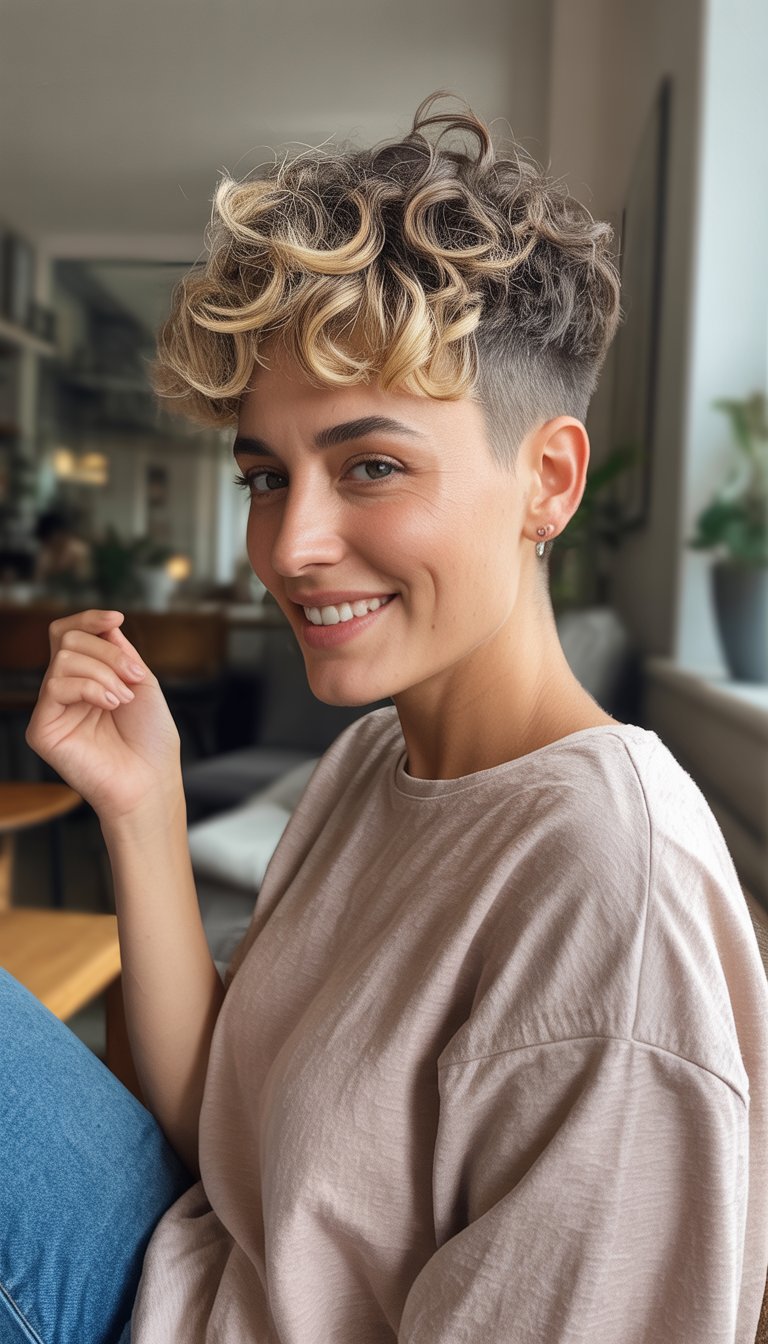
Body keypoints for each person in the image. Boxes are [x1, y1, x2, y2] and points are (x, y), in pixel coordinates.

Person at [11, 94, 768, 1343]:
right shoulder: (378, 758)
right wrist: (144, 809)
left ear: (550, 481)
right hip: (178, 1270)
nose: (292, 546)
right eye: (266, 475)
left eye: (371, 465)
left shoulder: (604, 892)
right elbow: (214, 1128)